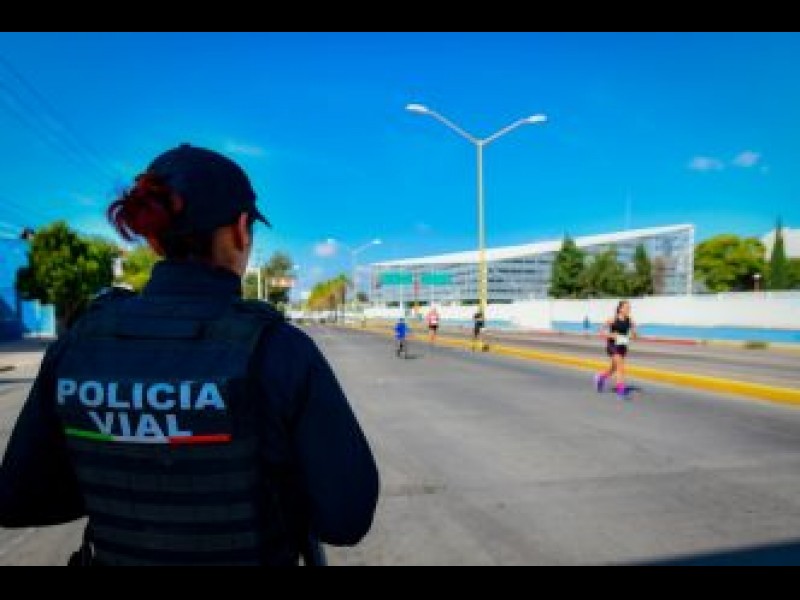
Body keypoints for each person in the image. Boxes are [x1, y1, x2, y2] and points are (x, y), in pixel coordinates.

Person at [0, 143, 380, 566]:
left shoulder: (80, 343)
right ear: (240, 229)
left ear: (153, 239)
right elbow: (346, 518)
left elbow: (18, 499)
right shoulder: (279, 348)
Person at [595, 300, 637, 398]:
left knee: (613, 368)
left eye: (629, 308)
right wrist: (611, 335)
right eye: (626, 307)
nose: (628, 309)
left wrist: (633, 334)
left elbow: (635, 335)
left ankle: (600, 377)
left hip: (622, 346)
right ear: (620, 309)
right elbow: (600, 331)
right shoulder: (613, 319)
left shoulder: (630, 320)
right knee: (620, 366)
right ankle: (620, 390)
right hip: (612, 345)